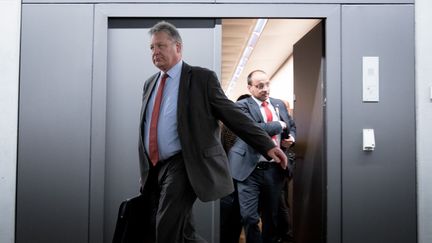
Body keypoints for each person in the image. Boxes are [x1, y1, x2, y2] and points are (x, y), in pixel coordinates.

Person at [138, 21, 288, 243]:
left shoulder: (201, 78)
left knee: (166, 228)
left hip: (185, 162)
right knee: (184, 233)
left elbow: (233, 115)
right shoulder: (150, 83)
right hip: (155, 166)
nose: (155, 52)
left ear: (178, 47)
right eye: (152, 47)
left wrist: (266, 145)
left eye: (161, 46)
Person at [228, 70, 296, 243]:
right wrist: (279, 124)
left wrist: (291, 138)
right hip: (249, 170)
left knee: (271, 218)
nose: (265, 89)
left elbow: (292, 126)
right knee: (249, 218)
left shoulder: (278, 104)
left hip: (274, 169)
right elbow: (254, 129)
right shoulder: (241, 106)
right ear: (250, 88)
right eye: (260, 86)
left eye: (267, 84)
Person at [220, 94, 251, 243]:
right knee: (234, 214)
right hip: (233, 175)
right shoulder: (231, 125)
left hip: (231, 174)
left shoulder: (228, 124)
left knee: (233, 215)